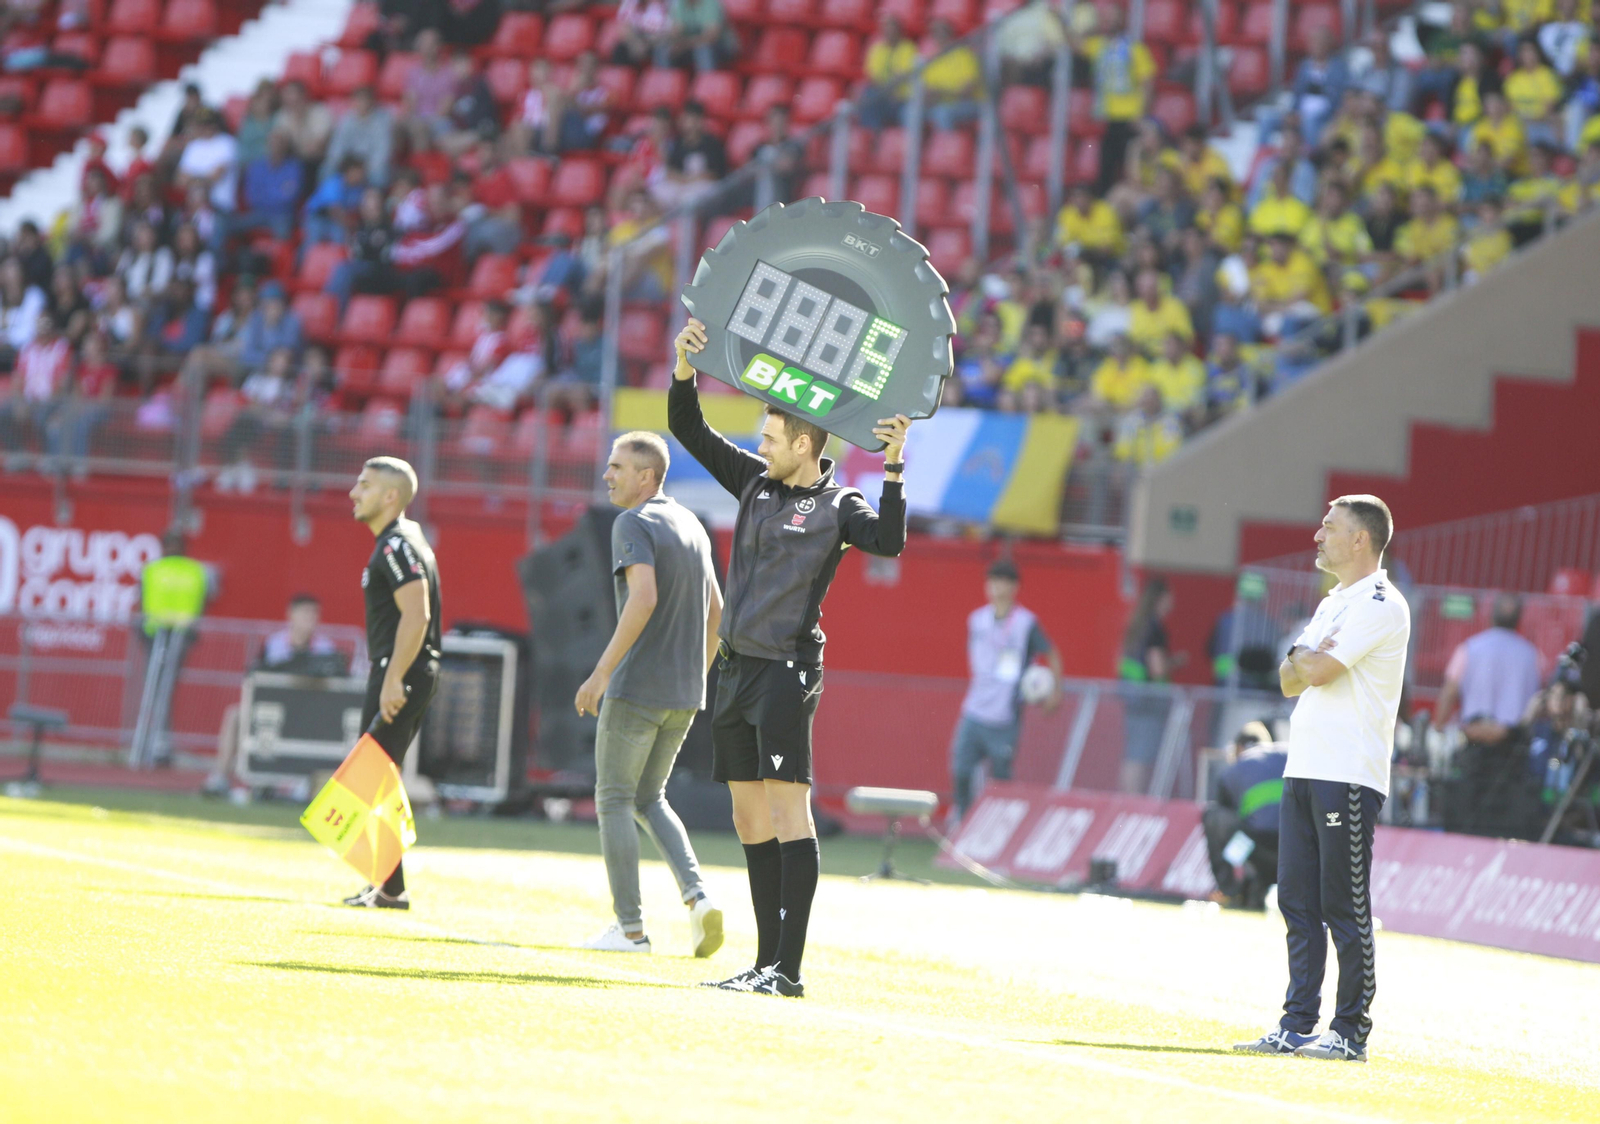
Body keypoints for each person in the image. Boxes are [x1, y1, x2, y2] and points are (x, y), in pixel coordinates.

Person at [669, 317, 910, 998]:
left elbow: (888, 542)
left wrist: (893, 468)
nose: (759, 445)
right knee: (749, 819)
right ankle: (763, 959)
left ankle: (788, 969)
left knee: (787, 815)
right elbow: (689, 429)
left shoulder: (841, 505)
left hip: (786, 672)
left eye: (770, 438)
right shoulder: (754, 482)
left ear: (804, 443)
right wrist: (687, 366)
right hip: (735, 668)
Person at [1235, 494, 1410, 1063]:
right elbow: (1291, 680)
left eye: (1329, 527)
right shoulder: (1336, 601)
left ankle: (1351, 1030)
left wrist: (1306, 656)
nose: (1317, 535)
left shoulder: (1380, 604)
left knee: (1344, 905)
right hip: (1305, 767)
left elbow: (1317, 668)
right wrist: (1306, 656)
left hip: (1348, 774)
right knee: (1297, 901)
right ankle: (1295, 1024)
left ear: (1360, 539)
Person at [572, 432, 725, 958]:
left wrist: (601, 674)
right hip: (684, 694)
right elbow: (717, 614)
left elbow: (643, 598)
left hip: (638, 688)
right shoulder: (694, 525)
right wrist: (697, 677)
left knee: (614, 799)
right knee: (649, 798)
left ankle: (630, 930)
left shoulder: (631, 523)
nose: (608, 475)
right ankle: (698, 897)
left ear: (646, 476)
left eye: (617, 467)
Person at [343, 457, 443, 910]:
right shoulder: (403, 539)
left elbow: (417, 614)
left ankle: (391, 888)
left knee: (371, 777)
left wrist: (393, 678)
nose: (353, 493)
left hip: (401, 669)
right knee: (376, 778)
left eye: (364, 485)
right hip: (399, 668)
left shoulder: (395, 545)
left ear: (390, 497)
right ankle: (387, 885)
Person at [947, 559, 1061, 824]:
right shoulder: (976, 620)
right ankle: (962, 820)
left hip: (1005, 715)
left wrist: (1055, 691)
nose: (996, 587)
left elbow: (1052, 653)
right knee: (961, 769)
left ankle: (998, 827)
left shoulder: (1025, 623)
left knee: (1001, 778)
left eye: (1002, 581)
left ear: (1014, 587)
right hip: (974, 709)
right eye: (992, 581)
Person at [204, 594, 345, 797]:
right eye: (305, 612)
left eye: (314, 613)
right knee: (234, 714)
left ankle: (307, 782)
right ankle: (220, 778)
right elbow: (257, 675)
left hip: (308, 716)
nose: (310, 618)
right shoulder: (275, 645)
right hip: (273, 711)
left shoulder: (325, 649)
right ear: (291, 615)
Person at [1433, 592, 1543, 738]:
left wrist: (1438, 729)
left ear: (1491, 616)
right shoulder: (1532, 654)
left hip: (1474, 735)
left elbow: (1450, 691)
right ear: (1519, 619)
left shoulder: (1469, 648)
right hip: (1514, 741)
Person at [1203, 722, 1287, 908]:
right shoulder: (1287, 754)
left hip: (1257, 848)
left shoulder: (1233, 769)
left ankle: (1229, 890)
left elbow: (1227, 823)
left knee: (1215, 818)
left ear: (1239, 748)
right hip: (1295, 850)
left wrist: (1239, 862)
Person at [1117, 575, 1175, 794]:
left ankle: (1128, 798)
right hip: (1149, 701)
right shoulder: (1155, 628)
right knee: (1141, 755)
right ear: (1160, 599)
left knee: (1132, 753)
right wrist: (1173, 663)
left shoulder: (1137, 624)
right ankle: (1135, 799)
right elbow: (1157, 668)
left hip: (1132, 697)